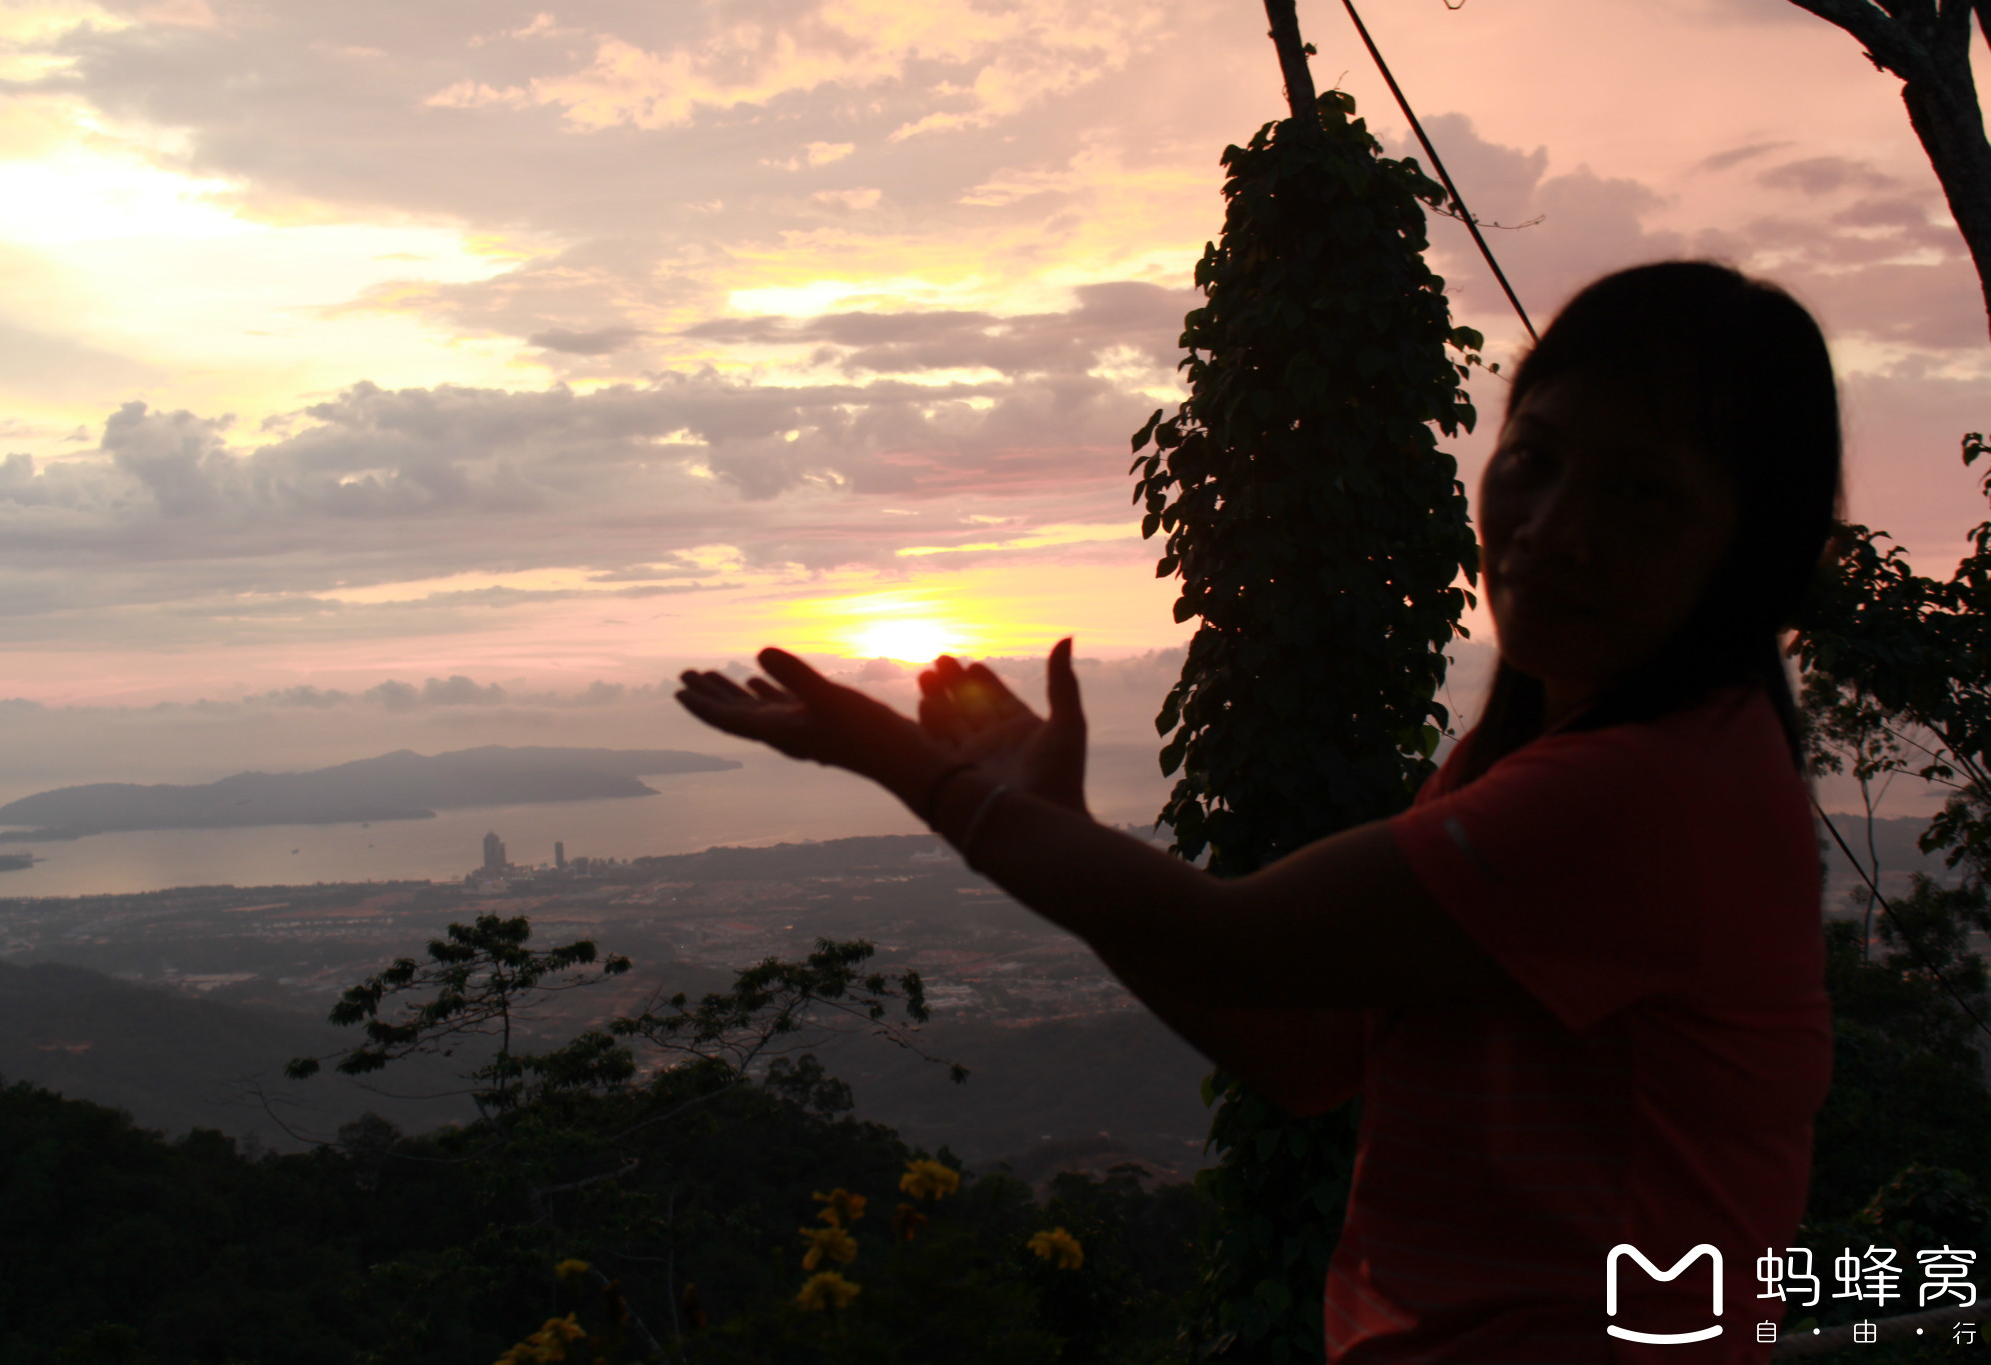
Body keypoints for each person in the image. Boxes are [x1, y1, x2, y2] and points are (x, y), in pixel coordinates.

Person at [675, 260, 1841, 1364]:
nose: (1550, 528)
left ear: (1752, 549)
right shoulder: (1575, 757)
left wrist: (899, 760)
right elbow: (1300, 1050)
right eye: (1532, 459)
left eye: (1640, 494)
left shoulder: (1638, 795)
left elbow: (1224, 941)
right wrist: (1057, 822)